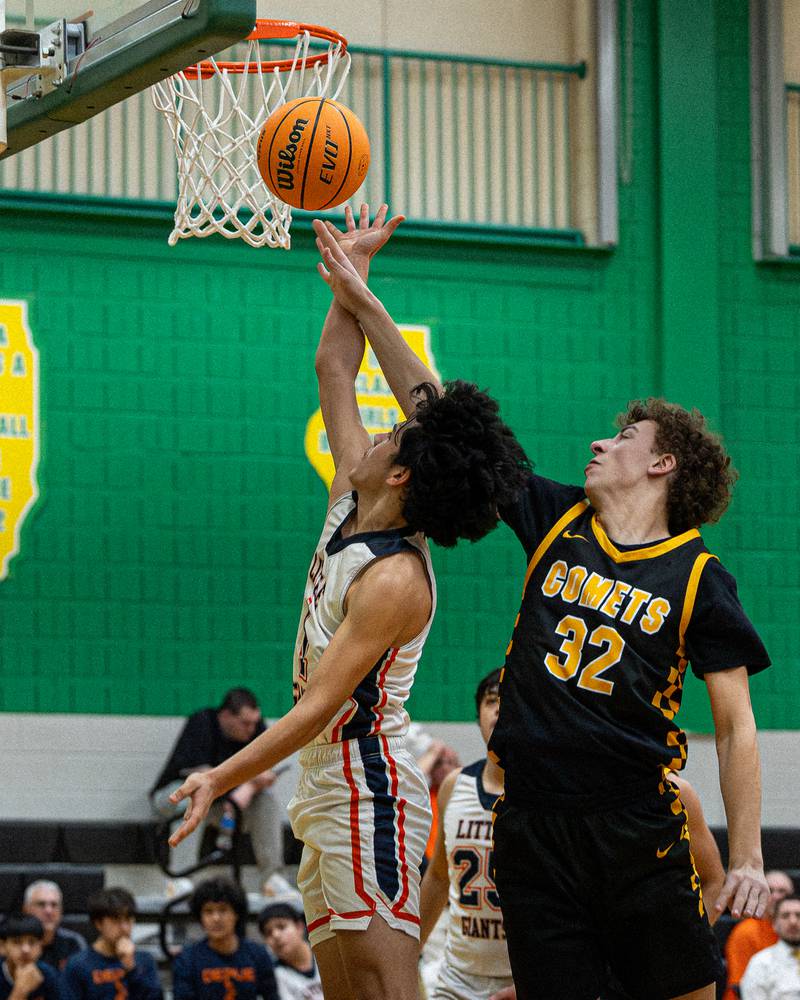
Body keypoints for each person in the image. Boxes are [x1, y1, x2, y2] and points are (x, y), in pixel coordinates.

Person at [309, 208, 772, 1000]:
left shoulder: (698, 577)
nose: (602, 442)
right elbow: (439, 412)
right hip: (530, 828)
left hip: (636, 825)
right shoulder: (558, 517)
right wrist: (365, 298)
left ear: (662, 464)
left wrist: (752, 854)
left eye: (624, 437)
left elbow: (734, 723)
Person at [166, 204, 530, 1000]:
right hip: (326, 784)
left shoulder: (397, 578)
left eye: (393, 435)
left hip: (367, 784)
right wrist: (351, 277)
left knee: (387, 991)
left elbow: (315, 710)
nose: (376, 434)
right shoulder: (350, 495)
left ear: (398, 474)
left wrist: (219, 777)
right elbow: (335, 368)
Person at [419, 668, 512, 1000]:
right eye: (491, 701)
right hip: (457, 978)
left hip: (526, 978)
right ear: (478, 716)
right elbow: (439, 877)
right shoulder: (454, 786)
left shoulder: (554, 791)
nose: (499, 708)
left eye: (509, 698)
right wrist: (409, 951)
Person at [151, 688, 283, 887]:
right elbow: (201, 776)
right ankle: (179, 881)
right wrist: (246, 783)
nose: (250, 729)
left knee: (266, 800)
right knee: (194, 795)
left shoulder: (256, 729)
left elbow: (267, 774)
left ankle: (272, 880)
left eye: (254, 723)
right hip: (174, 797)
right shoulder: (202, 722)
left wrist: (248, 788)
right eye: (245, 723)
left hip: (223, 806)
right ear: (226, 716)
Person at [171, 877, 278, 1000]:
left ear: (236, 914)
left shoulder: (258, 955)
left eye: (223, 910)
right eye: (208, 911)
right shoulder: (187, 960)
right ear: (200, 917)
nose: (216, 918)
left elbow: (272, 996)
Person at [62, 888, 161, 1000]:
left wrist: (132, 969)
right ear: (99, 923)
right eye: (116, 921)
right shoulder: (78, 965)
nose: (124, 928)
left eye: (128, 919)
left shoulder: (145, 961)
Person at [724, 871, 795, 1000]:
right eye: (770, 891)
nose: (776, 897)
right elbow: (738, 987)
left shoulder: (795, 931)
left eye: (782, 891)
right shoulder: (746, 931)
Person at [739, 895, 800, 999]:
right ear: (774, 924)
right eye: (785, 916)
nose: (793, 922)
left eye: (799, 915)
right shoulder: (760, 963)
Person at [258, 903, 323, 1000]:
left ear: (300, 927)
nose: (276, 935)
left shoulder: (326, 955)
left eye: (281, 927)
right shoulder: (275, 976)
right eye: (268, 933)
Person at [22, 880, 87, 972]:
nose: (49, 911)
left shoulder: (73, 942)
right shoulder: (15, 943)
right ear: (26, 909)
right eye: (41, 904)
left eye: (54, 905)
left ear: (61, 910)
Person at [0, 915, 60, 1000]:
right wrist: (20, 991)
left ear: (41, 947)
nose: (26, 950)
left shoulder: (49, 974)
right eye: (17, 942)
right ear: (2, 946)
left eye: (32, 942)